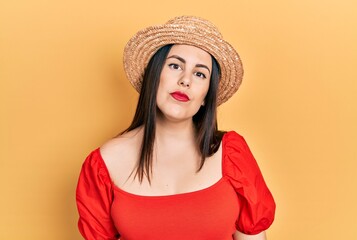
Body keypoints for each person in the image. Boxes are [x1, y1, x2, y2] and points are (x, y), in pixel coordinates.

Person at [76, 16, 276, 240]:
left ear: (205, 97)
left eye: (200, 74)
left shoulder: (231, 153)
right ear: (154, 77)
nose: (185, 80)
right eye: (175, 65)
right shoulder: (104, 163)